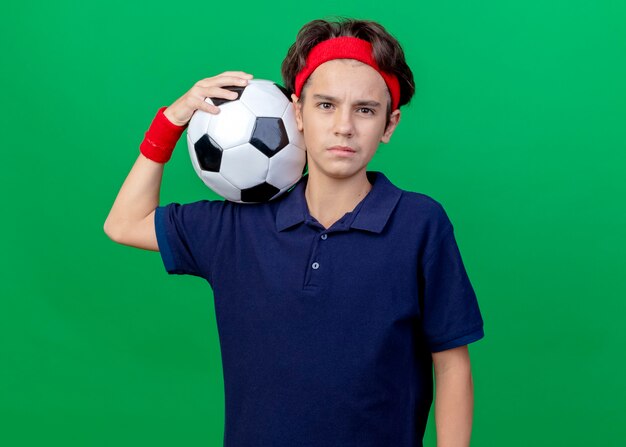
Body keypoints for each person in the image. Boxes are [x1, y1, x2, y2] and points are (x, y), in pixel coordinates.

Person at [104, 17, 484, 447]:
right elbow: (123, 223)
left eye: (365, 109)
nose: (344, 126)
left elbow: (452, 365)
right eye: (326, 105)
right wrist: (172, 119)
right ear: (297, 112)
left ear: (389, 124)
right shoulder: (238, 226)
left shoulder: (419, 223)